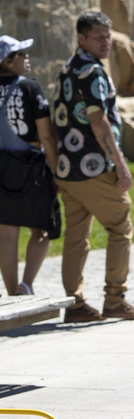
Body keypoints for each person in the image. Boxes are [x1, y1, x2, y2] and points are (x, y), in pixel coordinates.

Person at [52, 11, 134, 322]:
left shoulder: (68, 67)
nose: (106, 42)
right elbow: (98, 120)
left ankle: (74, 306)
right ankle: (115, 299)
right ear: (81, 38)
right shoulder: (92, 71)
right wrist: (120, 164)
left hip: (68, 169)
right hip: (94, 169)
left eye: (108, 36)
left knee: (76, 236)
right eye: (98, 37)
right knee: (121, 228)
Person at [0, 35, 60, 297]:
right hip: (31, 168)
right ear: (8, 60)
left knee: (6, 234)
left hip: (2, 167)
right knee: (44, 228)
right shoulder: (30, 88)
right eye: (21, 53)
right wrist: (57, 171)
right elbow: (46, 135)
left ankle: (12, 292)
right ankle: (26, 285)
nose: (27, 57)